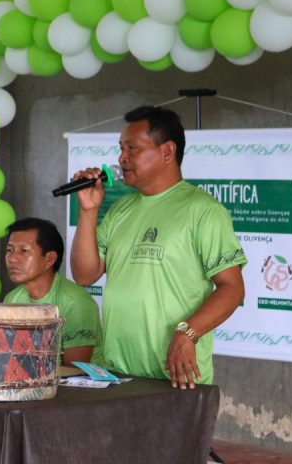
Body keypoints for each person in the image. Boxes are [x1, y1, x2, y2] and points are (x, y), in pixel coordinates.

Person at [70, 105, 246, 389]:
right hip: (117, 374)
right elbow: (84, 275)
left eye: (132, 148)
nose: (121, 157)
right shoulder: (121, 209)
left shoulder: (203, 210)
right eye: (120, 148)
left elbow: (232, 288)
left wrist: (188, 333)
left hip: (176, 377)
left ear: (167, 152)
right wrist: (88, 211)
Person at [3, 217, 103, 367]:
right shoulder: (12, 299)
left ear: (49, 259)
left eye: (23, 251)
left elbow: (75, 369)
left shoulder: (75, 303)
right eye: (9, 250)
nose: (13, 258)